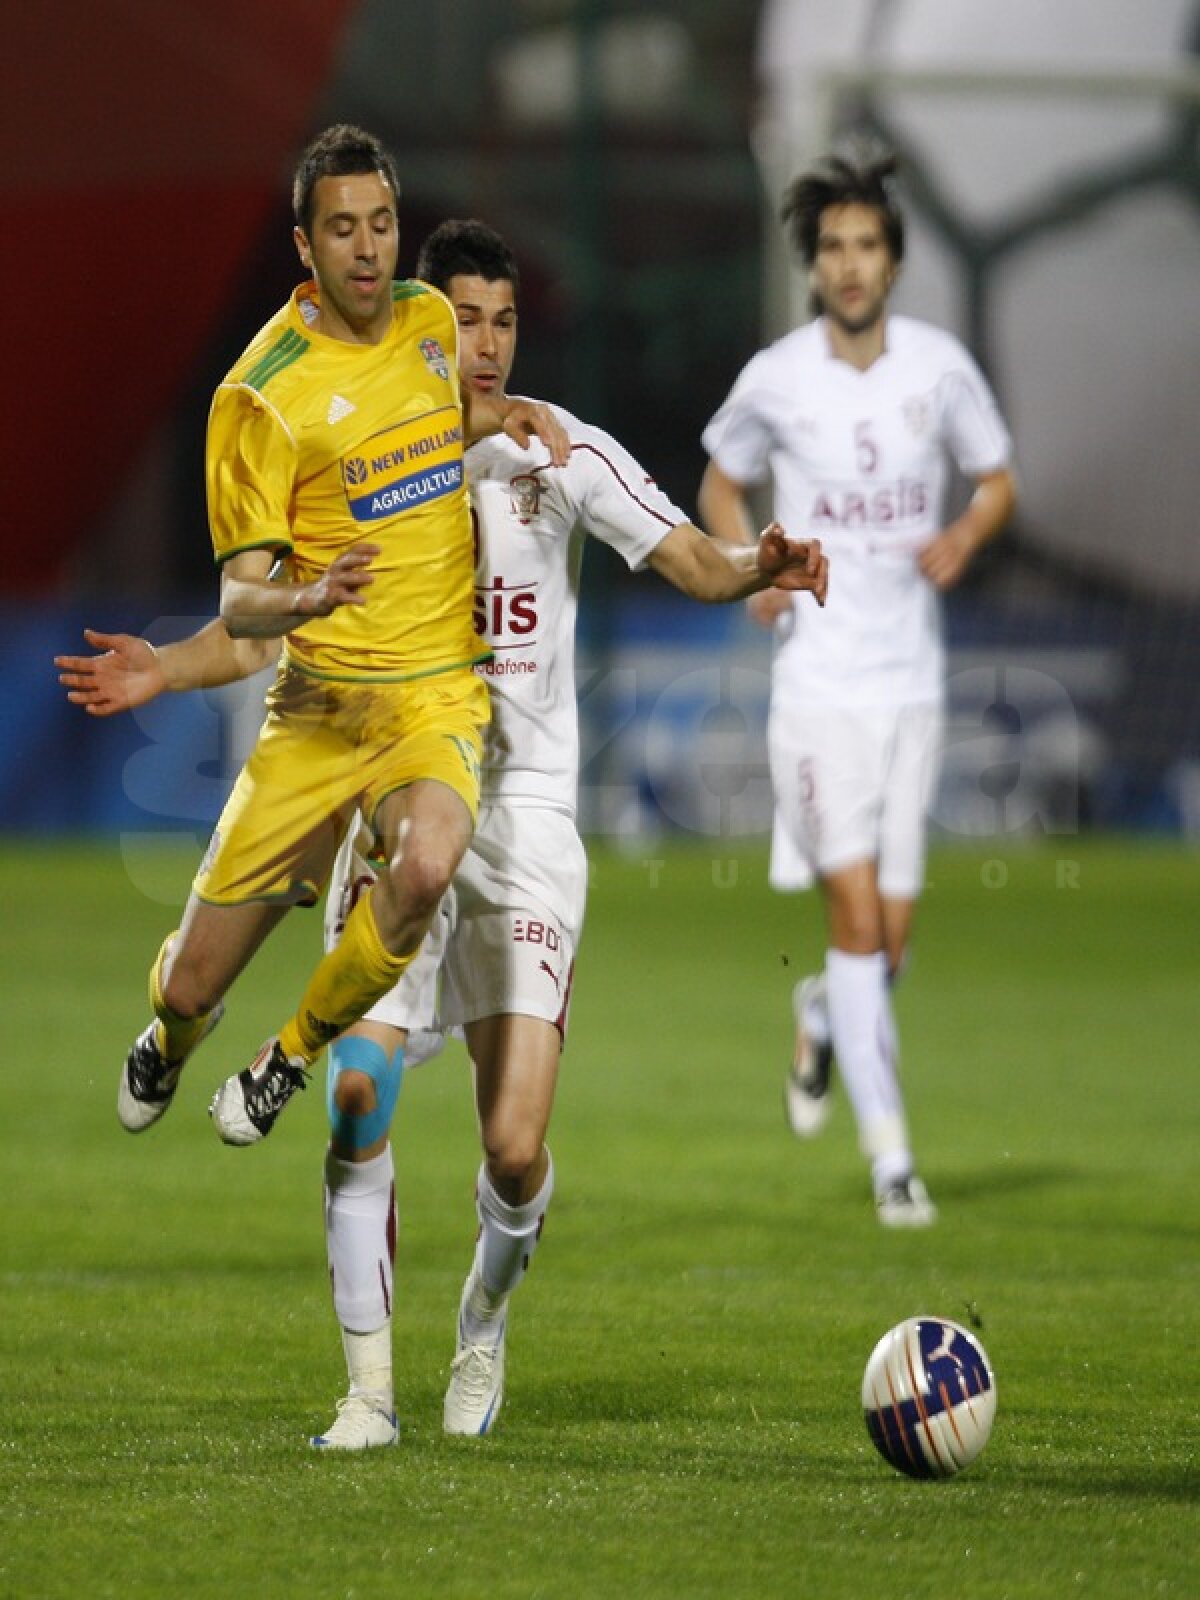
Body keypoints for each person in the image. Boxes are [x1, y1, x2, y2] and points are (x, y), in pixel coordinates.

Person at [57, 219, 828, 1450]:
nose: (484, 343)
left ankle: (483, 1318)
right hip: (399, 802)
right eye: (464, 317)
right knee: (356, 1093)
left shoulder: (554, 451)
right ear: (424, 319)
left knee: (515, 1149)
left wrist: (758, 564)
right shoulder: (363, 448)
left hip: (522, 827)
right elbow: (265, 617)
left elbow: (685, 553)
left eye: (504, 321)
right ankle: (368, 1394)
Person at [104, 124, 568, 1155]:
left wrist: (502, 415)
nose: (370, 250)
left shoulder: (431, 319)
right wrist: (307, 598)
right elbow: (242, 605)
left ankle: (288, 1057)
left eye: (384, 224)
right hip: (319, 712)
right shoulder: (261, 392)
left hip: (435, 697)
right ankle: (172, 1037)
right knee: (191, 977)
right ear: (304, 247)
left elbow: (437, 423)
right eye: (344, 230)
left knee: (427, 863)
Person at [698, 151, 1017, 1228]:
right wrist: (752, 571)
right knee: (854, 919)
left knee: (890, 940)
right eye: (831, 246)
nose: (848, 263)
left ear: (893, 259)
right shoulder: (779, 375)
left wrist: (967, 530)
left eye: (866, 244)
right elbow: (719, 479)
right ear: (812, 261)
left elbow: (999, 476)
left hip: (911, 687)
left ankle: (822, 1016)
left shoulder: (940, 367)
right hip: (817, 690)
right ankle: (893, 1162)